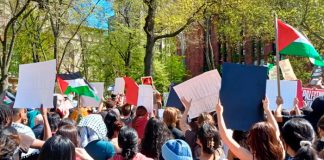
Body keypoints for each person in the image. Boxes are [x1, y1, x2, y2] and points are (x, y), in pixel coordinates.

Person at [216, 98, 285, 160]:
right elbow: (276, 130)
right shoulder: (280, 153)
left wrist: (219, 113)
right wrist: (267, 109)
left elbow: (226, 138)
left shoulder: (252, 158)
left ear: (255, 141)